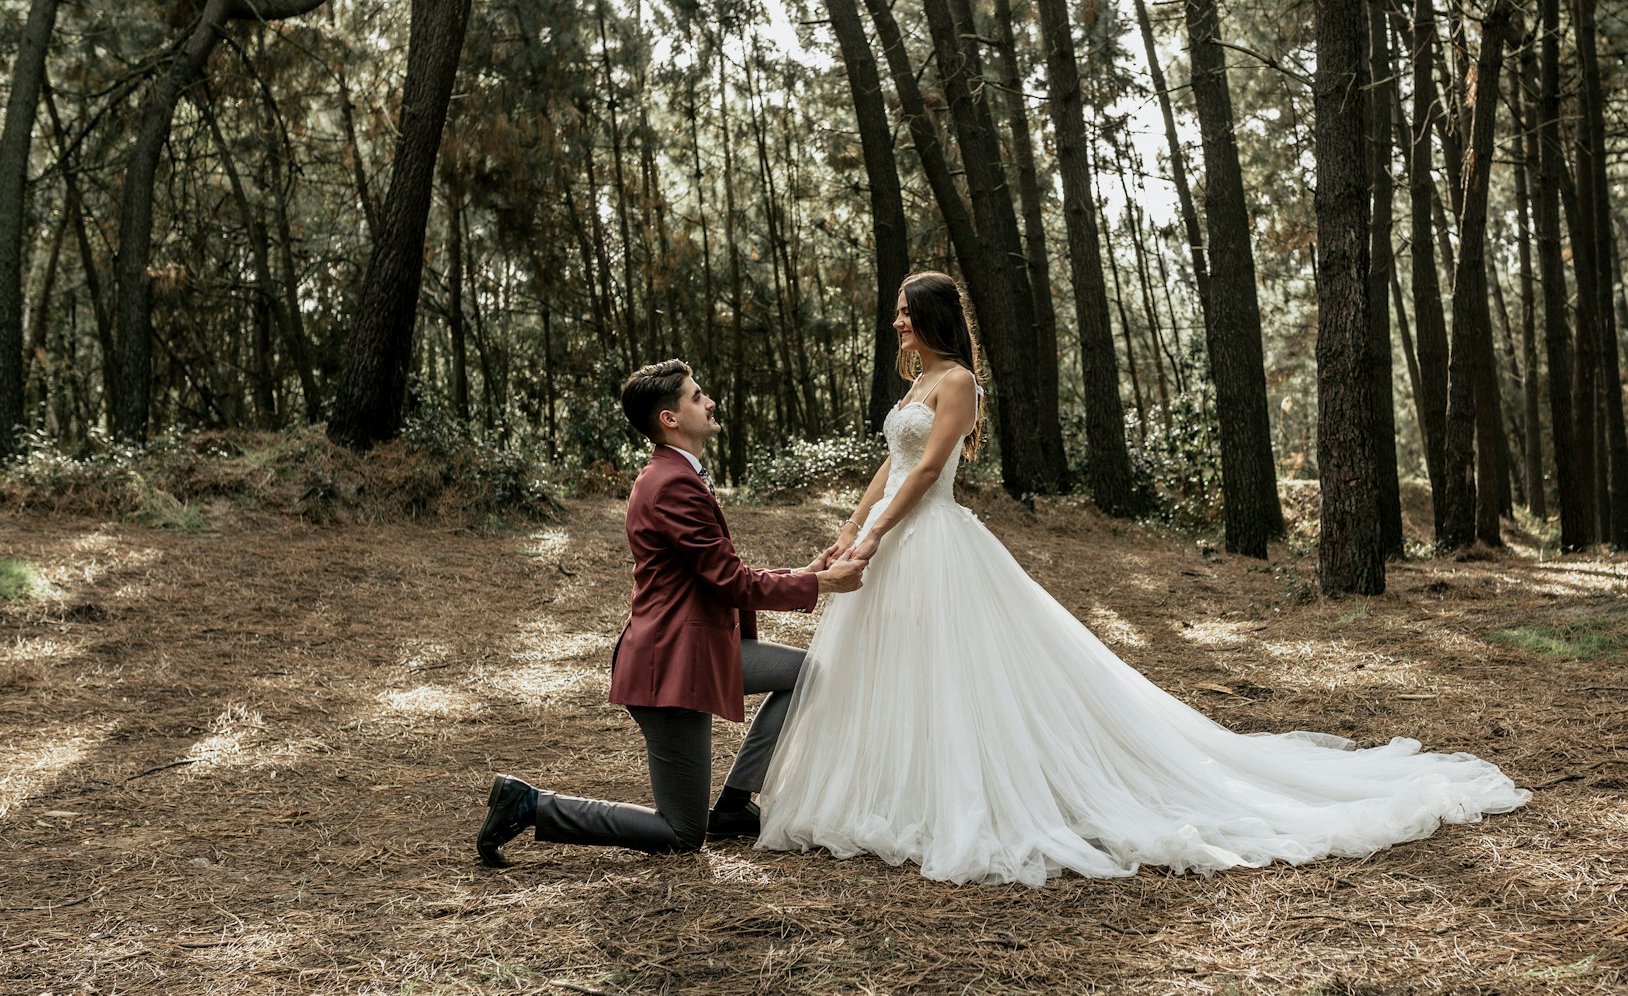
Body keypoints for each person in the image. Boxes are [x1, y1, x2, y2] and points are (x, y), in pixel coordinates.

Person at [756, 271, 1529, 886]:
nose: (895, 322)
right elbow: (888, 468)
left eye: (903, 311)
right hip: (891, 543)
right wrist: (848, 534)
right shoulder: (913, 385)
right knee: (893, 670)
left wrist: (880, 533)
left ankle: (958, 796)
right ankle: (889, 794)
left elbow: (927, 472)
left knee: (959, 673)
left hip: (933, 542)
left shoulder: (956, 381)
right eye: (895, 313)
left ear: (931, 316)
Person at [476, 360, 865, 867]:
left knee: (807, 673)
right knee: (681, 833)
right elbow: (730, 580)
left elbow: (718, 572)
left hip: (699, 645)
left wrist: (805, 571)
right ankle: (530, 805)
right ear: (670, 418)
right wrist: (820, 584)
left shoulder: (674, 475)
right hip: (671, 665)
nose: (710, 402)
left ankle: (732, 802)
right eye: (697, 396)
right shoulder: (672, 484)